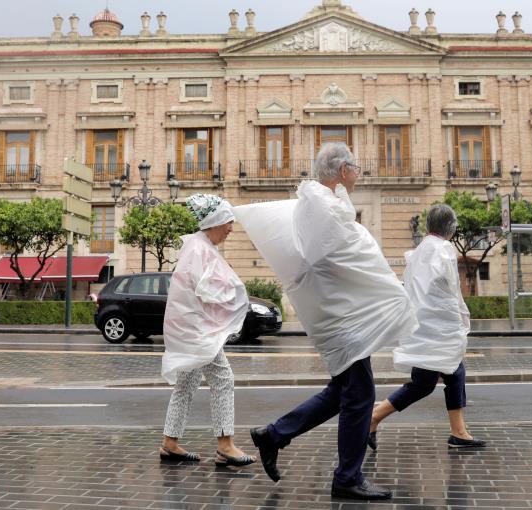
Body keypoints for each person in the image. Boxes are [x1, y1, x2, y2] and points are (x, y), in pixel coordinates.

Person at [234, 143, 417, 500]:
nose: (360, 171)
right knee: (360, 396)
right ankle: (347, 478)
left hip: (340, 315)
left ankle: (273, 435)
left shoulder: (322, 203)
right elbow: (341, 254)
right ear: (342, 169)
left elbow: (345, 251)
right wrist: (389, 285)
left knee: (341, 392)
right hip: (343, 321)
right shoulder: (323, 208)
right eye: (356, 165)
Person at [368, 204, 486, 451]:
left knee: (438, 379)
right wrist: (462, 319)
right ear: (451, 227)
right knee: (440, 377)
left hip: (421, 329)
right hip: (439, 330)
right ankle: (374, 418)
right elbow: (451, 293)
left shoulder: (419, 251)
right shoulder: (444, 251)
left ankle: (458, 432)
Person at [158, 193, 257, 468]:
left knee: (186, 384)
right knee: (223, 379)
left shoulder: (196, 246)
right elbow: (205, 288)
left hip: (191, 329)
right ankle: (225, 444)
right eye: (228, 222)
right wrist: (233, 294)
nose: (230, 228)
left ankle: (170, 442)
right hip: (197, 331)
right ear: (214, 222)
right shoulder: (200, 249)